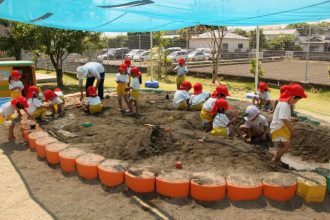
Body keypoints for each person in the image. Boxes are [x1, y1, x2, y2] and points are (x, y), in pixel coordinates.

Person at [270, 83, 307, 162]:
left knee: (282, 146)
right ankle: (274, 160)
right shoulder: (285, 105)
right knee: (287, 146)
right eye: (297, 100)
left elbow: (284, 116)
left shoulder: (284, 104)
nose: (296, 102)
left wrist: (292, 119)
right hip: (279, 128)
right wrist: (292, 130)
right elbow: (283, 118)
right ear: (293, 97)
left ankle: (277, 159)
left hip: (279, 128)